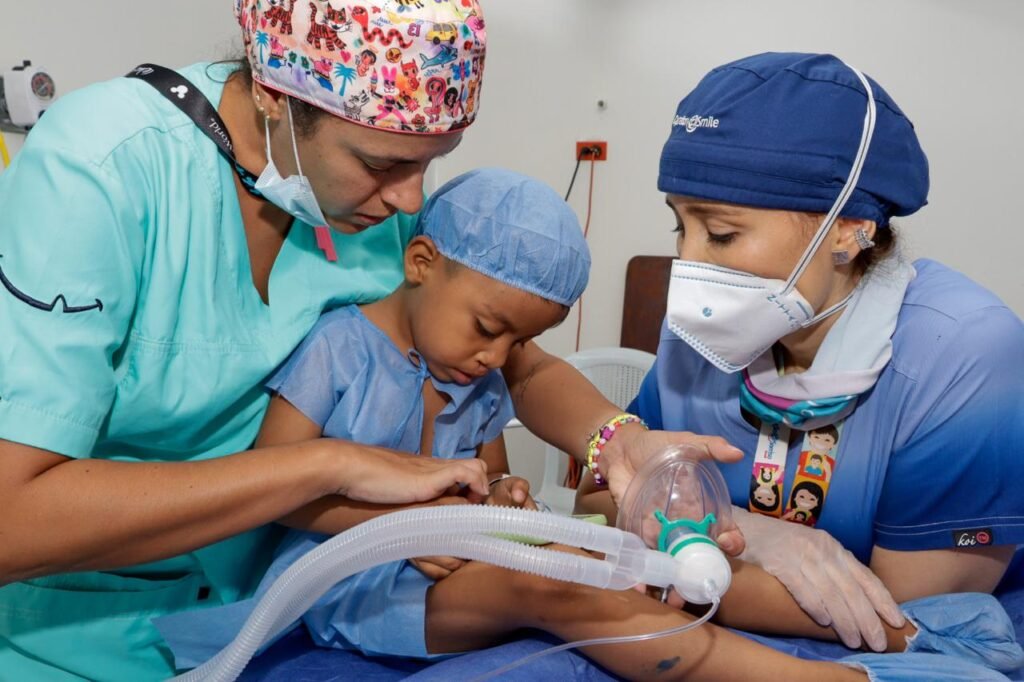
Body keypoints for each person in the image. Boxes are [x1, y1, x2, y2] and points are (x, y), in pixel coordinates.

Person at [0, 3, 746, 678]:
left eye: (429, 164)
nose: (410, 201)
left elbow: (517, 358)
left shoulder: (364, 209)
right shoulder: (103, 172)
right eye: (383, 164)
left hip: (284, 609)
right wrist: (330, 465)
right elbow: (13, 521)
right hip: (76, 631)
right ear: (275, 96)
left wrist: (617, 443)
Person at [157, 167, 1009, 682]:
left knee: (614, 564)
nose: (498, 357)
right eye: (489, 327)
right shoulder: (339, 350)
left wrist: (507, 497)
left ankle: (918, 633)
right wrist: (405, 524)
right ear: (420, 264)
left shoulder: (479, 382)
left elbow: (488, 484)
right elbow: (277, 492)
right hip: (345, 587)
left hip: (446, 576)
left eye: (521, 342)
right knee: (569, 586)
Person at [577, 51, 1024, 658]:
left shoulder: (964, 356)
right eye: (680, 227)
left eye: (722, 233)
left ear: (848, 229)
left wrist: (680, 563)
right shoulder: (701, 334)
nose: (690, 264)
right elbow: (601, 492)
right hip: (697, 626)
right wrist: (751, 537)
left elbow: (906, 619)